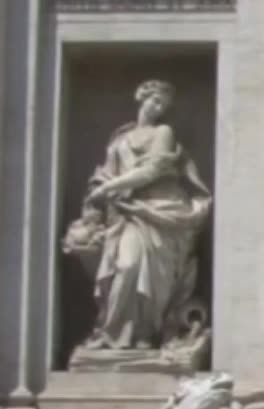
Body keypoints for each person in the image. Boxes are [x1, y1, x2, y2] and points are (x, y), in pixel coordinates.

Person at [69, 79, 212, 352]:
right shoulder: (120, 138)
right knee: (123, 268)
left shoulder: (164, 133)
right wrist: (97, 197)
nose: (158, 108)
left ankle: (143, 334)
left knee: (136, 269)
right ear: (141, 97)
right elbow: (105, 174)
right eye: (155, 101)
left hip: (156, 211)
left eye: (163, 105)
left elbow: (152, 171)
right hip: (123, 215)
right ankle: (113, 334)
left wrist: (111, 187)